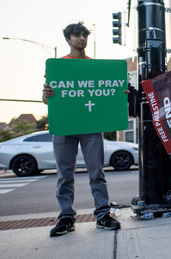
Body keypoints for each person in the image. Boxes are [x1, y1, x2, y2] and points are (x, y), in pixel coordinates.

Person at [43, 22, 121, 236]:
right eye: (76, 35)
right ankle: (66, 217)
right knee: (64, 175)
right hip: (64, 126)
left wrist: (117, 94)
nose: (81, 39)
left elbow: (105, 94)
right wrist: (46, 95)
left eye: (83, 35)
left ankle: (103, 214)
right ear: (68, 39)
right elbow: (47, 100)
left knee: (97, 173)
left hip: (90, 126)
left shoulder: (94, 67)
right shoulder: (57, 66)